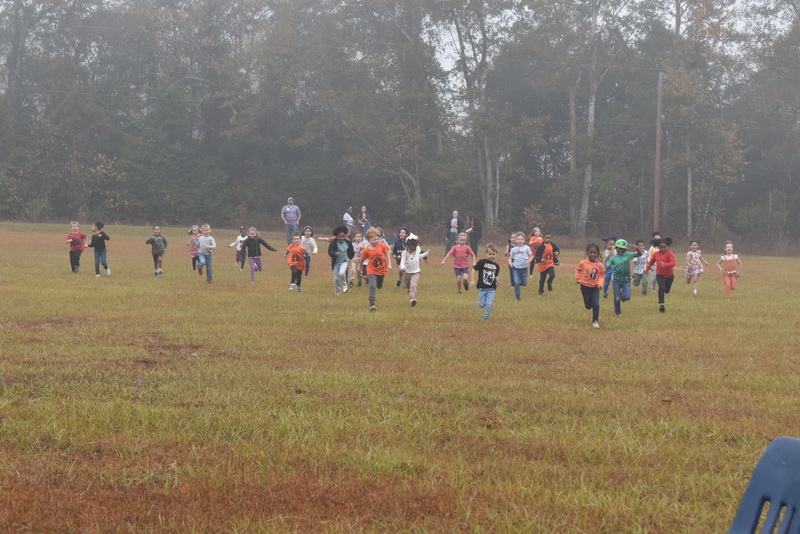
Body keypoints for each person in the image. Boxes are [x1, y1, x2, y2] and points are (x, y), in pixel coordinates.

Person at [605, 238, 642, 317]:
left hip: (626, 280)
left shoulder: (627, 255)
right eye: (619, 248)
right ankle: (618, 312)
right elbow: (607, 268)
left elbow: (639, 254)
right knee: (616, 298)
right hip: (616, 280)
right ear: (616, 248)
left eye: (623, 249)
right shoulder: (613, 258)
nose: (621, 250)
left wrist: (637, 248)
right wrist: (601, 275)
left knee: (627, 297)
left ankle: (622, 297)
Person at [361, 226, 392, 311]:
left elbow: (387, 254)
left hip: (381, 269)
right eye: (374, 240)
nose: (376, 241)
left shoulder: (382, 246)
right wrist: (360, 268)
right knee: (372, 286)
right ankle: (372, 304)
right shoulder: (366, 250)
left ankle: (379, 283)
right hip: (371, 270)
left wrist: (389, 264)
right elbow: (362, 259)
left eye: (377, 239)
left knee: (379, 285)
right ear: (369, 241)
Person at [575, 243, 605, 329]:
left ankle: (595, 321)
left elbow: (602, 276)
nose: (592, 255)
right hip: (584, 287)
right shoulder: (583, 263)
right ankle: (589, 304)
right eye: (590, 253)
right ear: (587, 253)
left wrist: (600, 284)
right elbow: (578, 270)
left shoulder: (599, 265)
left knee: (596, 304)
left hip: (595, 287)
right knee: (588, 306)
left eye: (594, 253)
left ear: (597, 253)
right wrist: (578, 278)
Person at [646, 237, 676, 312]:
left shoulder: (669, 253)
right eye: (661, 247)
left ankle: (666, 291)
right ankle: (661, 304)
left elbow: (673, 263)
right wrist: (646, 269)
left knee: (667, 290)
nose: (663, 249)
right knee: (661, 288)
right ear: (658, 247)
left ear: (667, 246)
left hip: (669, 275)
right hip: (660, 275)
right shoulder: (656, 254)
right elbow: (651, 262)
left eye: (664, 247)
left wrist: (665, 264)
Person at [400, 233, 430, 307]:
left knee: (413, 285)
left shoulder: (418, 249)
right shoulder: (404, 252)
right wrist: (402, 267)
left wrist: (426, 253)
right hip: (407, 272)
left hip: (415, 272)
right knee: (407, 285)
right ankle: (407, 288)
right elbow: (402, 261)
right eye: (410, 249)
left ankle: (413, 299)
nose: (411, 251)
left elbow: (418, 256)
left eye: (413, 249)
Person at [474, 243, 501, 320]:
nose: (491, 256)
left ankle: (485, 317)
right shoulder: (482, 262)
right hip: (482, 288)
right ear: (486, 254)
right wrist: (472, 280)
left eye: (493, 254)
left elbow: (495, 275)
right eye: (490, 254)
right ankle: (485, 305)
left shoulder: (497, 266)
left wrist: (497, 279)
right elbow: (474, 269)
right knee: (481, 305)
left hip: (491, 289)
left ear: (496, 254)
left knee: (489, 304)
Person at [328, 225, 355, 295]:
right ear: (336, 236)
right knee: (336, 278)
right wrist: (334, 253)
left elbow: (351, 251)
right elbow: (330, 251)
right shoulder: (334, 243)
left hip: (344, 261)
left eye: (343, 236)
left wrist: (351, 258)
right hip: (336, 262)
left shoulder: (348, 243)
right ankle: (337, 291)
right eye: (340, 236)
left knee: (342, 273)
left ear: (345, 236)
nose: (341, 238)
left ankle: (344, 284)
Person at [507, 232, 533, 301]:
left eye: (521, 239)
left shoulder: (527, 248)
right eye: (518, 239)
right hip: (515, 268)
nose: (520, 241)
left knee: (524, 283)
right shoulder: (514, 249)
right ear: (515, 240)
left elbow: (531, 256)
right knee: (516, 282)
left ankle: (519, 284)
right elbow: (510, 258)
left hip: (524, 269)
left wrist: (528, 261)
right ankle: (518, 295)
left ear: (524, 240)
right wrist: (510, 263)